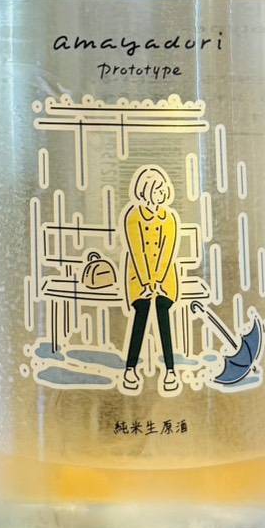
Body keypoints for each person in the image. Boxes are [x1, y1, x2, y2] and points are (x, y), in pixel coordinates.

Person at [120, 165, 179, 393]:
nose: (161, 193)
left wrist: (159, 281)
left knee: (163, 312)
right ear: (146, 191)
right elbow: (137, 251)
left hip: (165, 279)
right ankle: (130, 368)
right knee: (141, 312)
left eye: (163, 189)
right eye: (157, 189)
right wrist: (146, 282)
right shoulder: (134, 216)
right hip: (139, 278)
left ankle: (170, 370)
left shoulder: (168, 217)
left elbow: (167, 250)